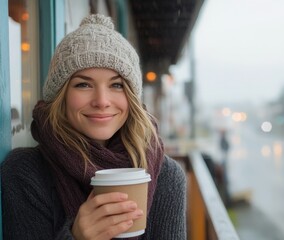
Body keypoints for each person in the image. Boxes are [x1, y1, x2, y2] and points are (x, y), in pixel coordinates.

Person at [1, 14, 186, 240]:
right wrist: (76, 237)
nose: (101, 100)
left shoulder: (167, 177)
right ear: (61, 96)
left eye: (117, 85)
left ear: (132, 99)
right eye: (83, 84)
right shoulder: (25, 173)